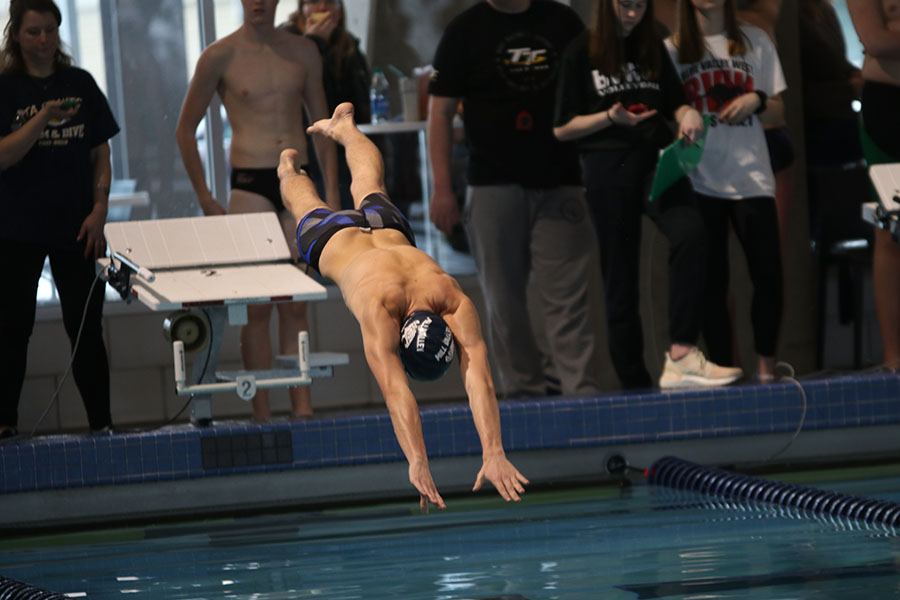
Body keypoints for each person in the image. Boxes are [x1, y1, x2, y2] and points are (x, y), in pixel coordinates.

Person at [279, 102, 529, 511]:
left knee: (368, 182)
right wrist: (420, 459)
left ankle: (344, 128)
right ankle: (288, 171)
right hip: (335, 244)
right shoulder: (391, 311)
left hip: (389, 231)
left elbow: (476, 379)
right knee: (307, 208)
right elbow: (400, 392)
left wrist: (493, 451)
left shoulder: (448, 297)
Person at [553, 0, 743, 389]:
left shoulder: (652, 40)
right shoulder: (580, 50)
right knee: (620, 274)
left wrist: (687, 114)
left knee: (691, 232)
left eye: (640, 5)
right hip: (608, 166)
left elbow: (675, 100)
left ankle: (682, 353)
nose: (632, 13)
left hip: (657, 159)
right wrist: (610, 117)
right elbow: (561, 128)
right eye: (625, 5)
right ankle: (634, 383)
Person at [175, 0, 339, 422]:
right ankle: (262, 412)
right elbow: (184, 131)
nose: (260, 3)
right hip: (248, 185)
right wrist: (205, 199)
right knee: (258, 307)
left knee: (296, 304)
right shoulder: (219, 55)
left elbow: (323, 128)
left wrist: (334, 197)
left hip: (296, 182)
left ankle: (302, 407)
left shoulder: (303, 52)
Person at [428, 0, 601, 399]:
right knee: (504, 304)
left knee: (568, 302)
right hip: (492, 185)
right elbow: (440, 114)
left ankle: (583, 397)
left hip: (561, 183)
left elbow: (593, 94)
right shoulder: (464, 31)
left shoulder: (562, 21)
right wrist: (441, 187)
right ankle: (524, 393)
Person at [0, 0, 118, 438]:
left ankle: (101, 424)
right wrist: (45, 115)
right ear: (17, 35)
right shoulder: (6, 88)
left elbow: (101, 152)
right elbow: (4, 156)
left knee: (85, 330)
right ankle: (5, 421)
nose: (44, 41)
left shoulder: (79, 84)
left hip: (77, 225)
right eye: (34, 32)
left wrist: (100, 210)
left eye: (50, 30)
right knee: (13, 329)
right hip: (16, 229)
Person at [665, 0, 787, 380]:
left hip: (752, 177)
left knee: (768, 276)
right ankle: (724, 367)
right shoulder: (673, 49)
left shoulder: (756, 41)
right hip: (701, 178)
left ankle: (766, 365)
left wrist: (758, 101)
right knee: (711, 284)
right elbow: (668, 112)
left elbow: (781, 111)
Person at [848, 0, 900, 370]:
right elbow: (875, 40)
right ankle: (893, 356)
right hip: (888, 111)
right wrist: (886, 37)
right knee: (889, 231)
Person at [280, 0, 371, 210]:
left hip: (346, 155)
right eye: (313, 2)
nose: (322, 8)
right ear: (302, 9)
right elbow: (306, 101)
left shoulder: (349, 47)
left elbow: (356, 103)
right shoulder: (288, 43)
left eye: (329, 2)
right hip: (307, 156)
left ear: (339, 12)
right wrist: (314, 44)